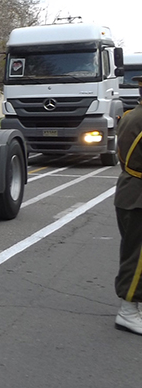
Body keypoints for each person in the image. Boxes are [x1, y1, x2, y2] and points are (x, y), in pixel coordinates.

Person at [114, 75, 142, 335]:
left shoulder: (131, 115)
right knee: (137, 256)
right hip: (137, 195)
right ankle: (128, 310)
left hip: (130, 190)